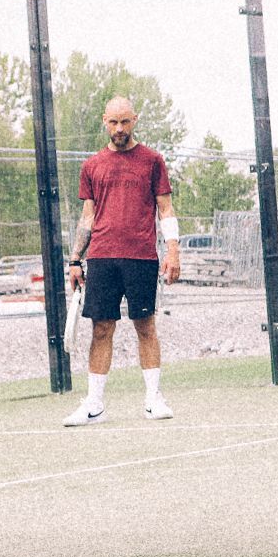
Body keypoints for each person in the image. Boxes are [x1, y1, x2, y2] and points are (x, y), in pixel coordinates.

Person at [62, 96, 182, 426]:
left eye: (125, 122)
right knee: (101, 330)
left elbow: (166, 209)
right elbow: (87, 217)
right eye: (113, 122)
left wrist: (173, 251)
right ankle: (94, 405)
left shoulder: (152, 161)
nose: (119, 129)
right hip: (101, 258)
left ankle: (152, 399)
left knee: (146, 326)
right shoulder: (92, 166)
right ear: (104, 121)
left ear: (135, 120)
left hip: (141, 257)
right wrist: (75, 259)